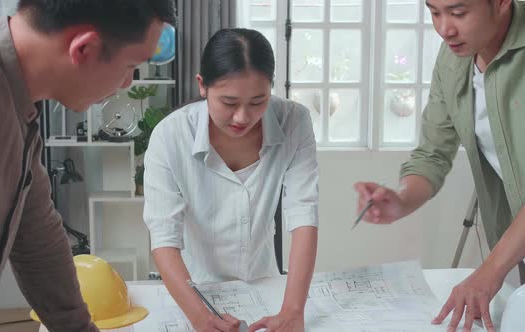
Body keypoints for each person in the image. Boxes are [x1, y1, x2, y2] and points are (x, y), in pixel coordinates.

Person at [0, 0, 175, 331]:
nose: (127, 84)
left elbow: (39, 240)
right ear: (85, 48)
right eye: (131, 66)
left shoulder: (13, 97)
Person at [354, 0, 525, 331]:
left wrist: (489, 272)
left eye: (459, 13)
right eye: (434, 12)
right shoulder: (454, 60)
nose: (445, 29)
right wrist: (401, 200)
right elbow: (432, 153)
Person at [143, 28, 319, 332]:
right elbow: (164, 237)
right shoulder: (170, 136)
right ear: (202, 86)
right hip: (194, 290)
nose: (242, 117)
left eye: (257, 101)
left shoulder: (293, 121)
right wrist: (200, 318)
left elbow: (304, 214)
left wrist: (293, 309)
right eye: (228, 102)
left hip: (264, 284)